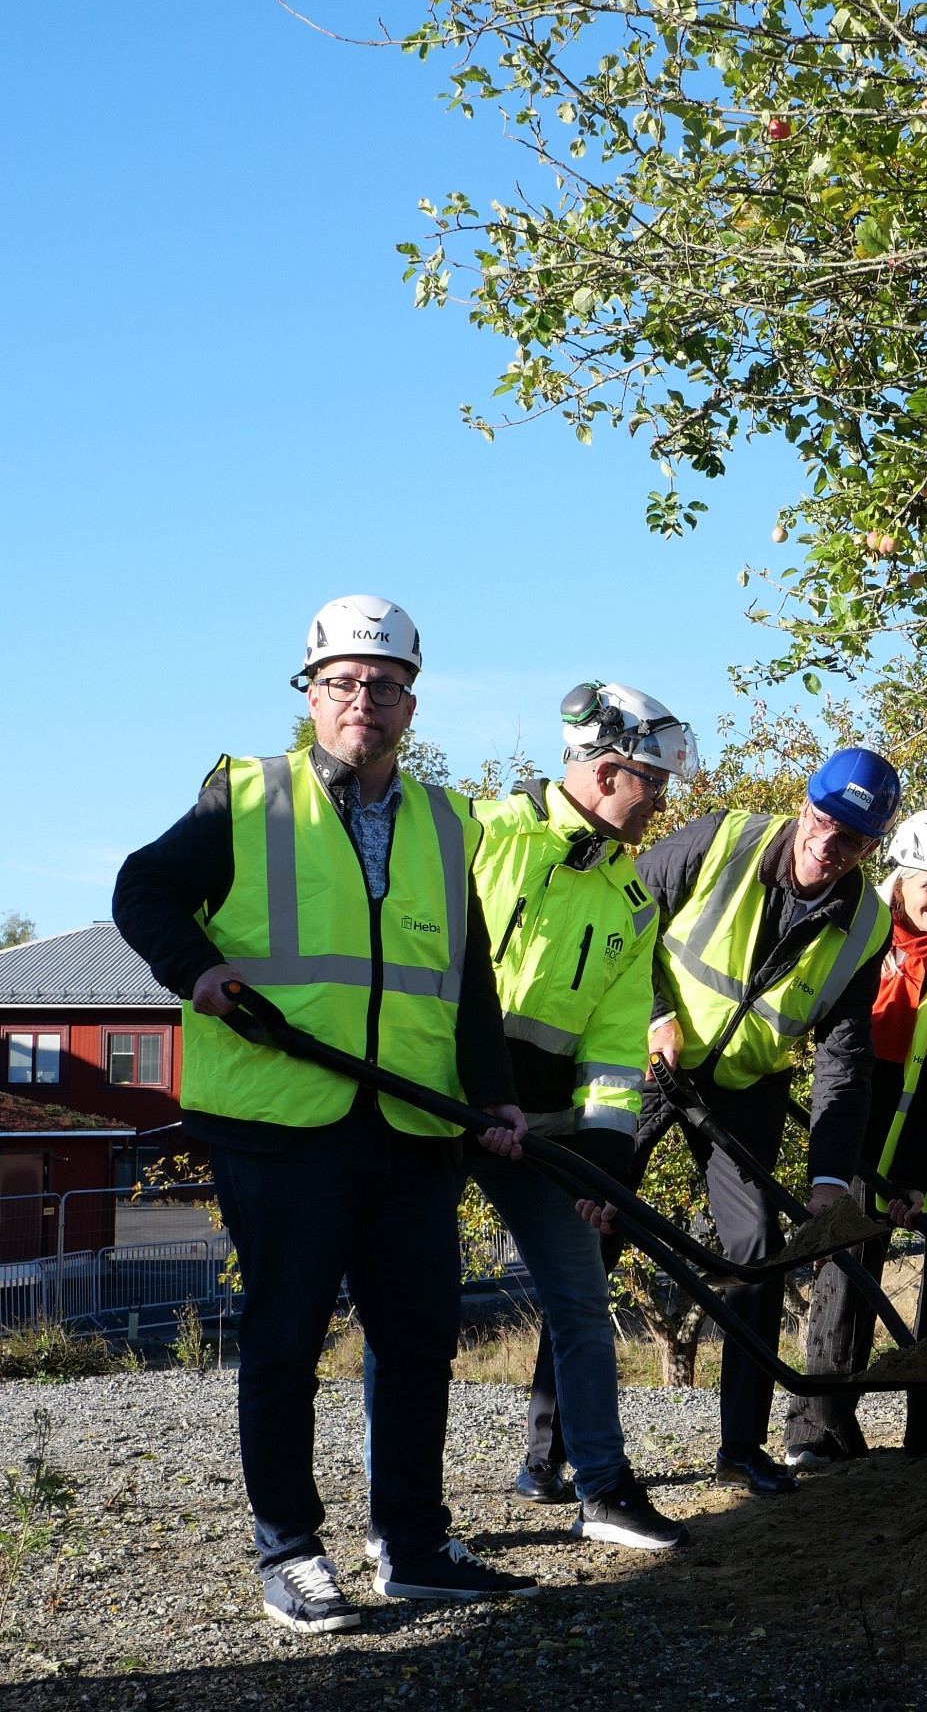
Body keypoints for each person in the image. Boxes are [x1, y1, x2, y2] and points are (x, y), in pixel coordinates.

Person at [112, 595, 537, 1635]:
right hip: (283, 1122)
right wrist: (198, 970)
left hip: (411, 1126)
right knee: (286, 1338)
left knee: (419, 1338)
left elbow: (467, 976)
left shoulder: (448, 819)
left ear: (411, 702)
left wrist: (491, 1096)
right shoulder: (245, 797)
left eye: (383, 684)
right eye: (341, 682)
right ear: (309, 694)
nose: (363, 700)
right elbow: (141, 890)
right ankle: (291, 1551)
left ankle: (413, 1543)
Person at [361, 682, 697, 1553]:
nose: (659, 802)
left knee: (582, 1305)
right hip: (436, 1110)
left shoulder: (631, 900)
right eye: (650, 783)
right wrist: (471, 1092)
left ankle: (603, 1489)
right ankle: (395, 1515)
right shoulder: (481, 834)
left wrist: (605, 1155)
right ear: (604, 766)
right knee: (415, 1316)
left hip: (542, 1131)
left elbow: (617, 1048)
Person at [582, 748, 899, 1495]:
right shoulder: (721, 838)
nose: (829, 843)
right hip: (650, 1055)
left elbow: (845, 1059)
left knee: (758, 1249)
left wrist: (828, 1181)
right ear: (803, 805)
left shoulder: (865, 924)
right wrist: (655, 1010)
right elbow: (626, 908)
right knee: (590, 1223)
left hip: (745, 1084)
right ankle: (549, 1449)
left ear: (870, 848)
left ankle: (741, 1447)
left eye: (852, 839)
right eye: (823, 820)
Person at [782, 810, 927, 1466]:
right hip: (859, 1137)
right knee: (845, 1280)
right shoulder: (856, 942)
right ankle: (818, 1431)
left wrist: (911, 1179)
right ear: (900, 881)